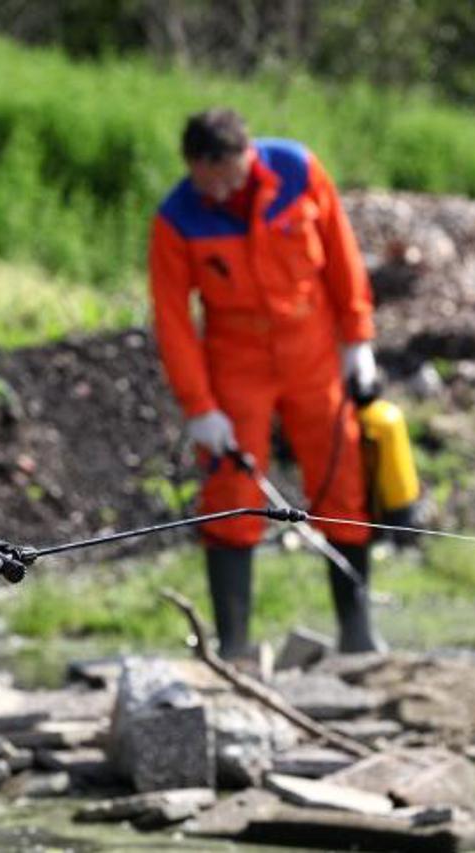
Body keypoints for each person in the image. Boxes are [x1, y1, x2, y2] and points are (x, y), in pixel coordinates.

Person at [148, 107, 384, 659]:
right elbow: (173, 321)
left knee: (343, 481)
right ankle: (233, 647)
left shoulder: (299, 171)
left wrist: (358, 340)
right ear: (192, 168)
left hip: (313, 352)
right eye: (211, 183)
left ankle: (357, 634)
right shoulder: (177, 219)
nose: (224, 192)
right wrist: (200, 407)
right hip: (237, 362)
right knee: (231, 492)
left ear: (248, 153)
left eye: (232, 178)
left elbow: (342, 254)